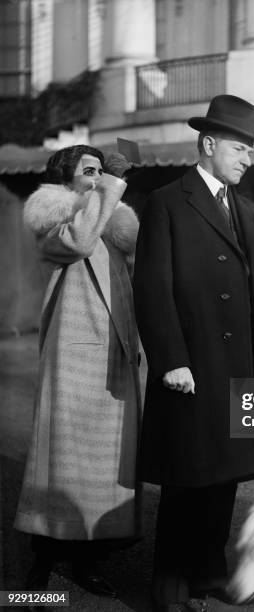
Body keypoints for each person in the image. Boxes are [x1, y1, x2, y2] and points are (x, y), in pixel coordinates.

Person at [133, 95, 254, 612]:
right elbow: (152, 286)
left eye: (251, 151)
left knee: (222, 481)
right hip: (194, 367)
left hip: (244, 367)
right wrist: (171, 358)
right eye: (241, 148)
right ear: (209, 143)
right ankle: (171, 589)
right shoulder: (168, 201)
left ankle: (206, 574)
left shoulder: (244, 209)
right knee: (187, 481)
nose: (248, 159)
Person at [15, 145, 142, 599]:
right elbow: (80, 241)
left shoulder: (112, 224)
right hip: (72, 361)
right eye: (90, 171)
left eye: (101, 171)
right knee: (61, 466)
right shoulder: (56, 219)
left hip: (115, 357)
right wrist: (110, 187)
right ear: (67, 181)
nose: (99, 177)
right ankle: (41, 567)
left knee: (103, 470)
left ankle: (87, 560)